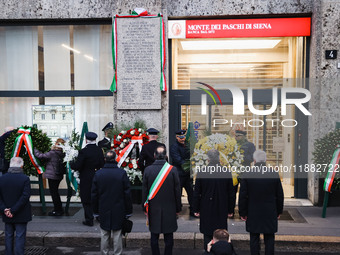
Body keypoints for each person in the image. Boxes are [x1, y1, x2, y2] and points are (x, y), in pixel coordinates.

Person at [238, 150, 284, 255]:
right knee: (269, 237)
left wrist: (243, 212)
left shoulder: (248, 174)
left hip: (253, 210)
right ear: (265, 160)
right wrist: (279, 211)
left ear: (254, 160)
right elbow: (279, 195)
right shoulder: (273, 173)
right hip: (270, 210)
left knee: (254, 237)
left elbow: (243, 196)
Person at [92, 150, 133, 255]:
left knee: (104, 233)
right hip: (118, 208)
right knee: (117, 233)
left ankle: (104, 253)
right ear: (115, 159)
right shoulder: (121, 173)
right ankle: (117, 253)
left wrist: (95, 211)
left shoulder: (98, 174)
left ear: (105, 159)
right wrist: (128, 211)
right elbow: (127, 194)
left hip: (103, 208)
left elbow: (94, 195)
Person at [193, 149, 235, 251]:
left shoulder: (202, 172)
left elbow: (197, 193)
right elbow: (231, 194)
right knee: (221, 235)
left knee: (207, 235)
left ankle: (208, 252)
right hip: (222, 208)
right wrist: (230, 210)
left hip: (206, 207)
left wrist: (196, 209)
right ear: (219, 158)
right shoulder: (226, 172)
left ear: (208, 159)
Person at [142, 146, 181, 255]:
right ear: (166, 156)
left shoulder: (148, 170)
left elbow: (144, 191)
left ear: (154, 156)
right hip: (170, 208)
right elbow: (177, 191)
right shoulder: (173, 169)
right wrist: (178, 208)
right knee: (169, 237)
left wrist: (144, 207)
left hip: (153, 208)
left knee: (154, 236)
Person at [71, 131, 105, 226]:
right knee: (97, 196)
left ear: (86, 139)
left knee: (86, 198)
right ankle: (99, 216)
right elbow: (102, 163)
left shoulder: (83, 151)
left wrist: (71, 164)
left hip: (86, 177)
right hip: (97, 176)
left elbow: (78, 165)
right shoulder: (99, 150)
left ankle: (89, 219)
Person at [0, 157, 32, 255]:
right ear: (21, 166)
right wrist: (13, 210)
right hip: (21, 213)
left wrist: (5, 209)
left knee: (8, 235)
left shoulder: (2, 178)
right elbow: (25, 196)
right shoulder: (25, 179)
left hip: (6, 213)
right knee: (20, 236)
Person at [34, 138, 66, 216]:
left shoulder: (53, 152)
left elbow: (40, 156)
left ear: (57, 144)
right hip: (58, 175)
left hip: (52, 175)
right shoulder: (62, 153)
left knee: (54, 193)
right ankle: (59, 209)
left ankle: (57, 210)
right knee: (56, 192)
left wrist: (34, 149)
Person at [170, 129, 195, 217]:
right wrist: (187, 165)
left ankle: (193, 210)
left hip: (187, 175)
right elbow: (178, 159)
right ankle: (176, 211)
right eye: (180, 137)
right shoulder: (174, 147)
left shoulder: (187, 145)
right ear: (176, 137)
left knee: (191, 193)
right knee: (177, 194)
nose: (182, 139)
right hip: (179, 174)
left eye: (183, 136)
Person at [232, 130, 256, 214]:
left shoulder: (250, 145)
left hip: (245, 171)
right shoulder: (232, 144)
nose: (236, 137)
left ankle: (243, 211)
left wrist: (241, 157)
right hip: (234, 172)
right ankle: (231, 210)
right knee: (232, 192)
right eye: (235, 135)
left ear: (243, 136)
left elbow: (252, 157)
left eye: (238, 135)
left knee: (244, 193)